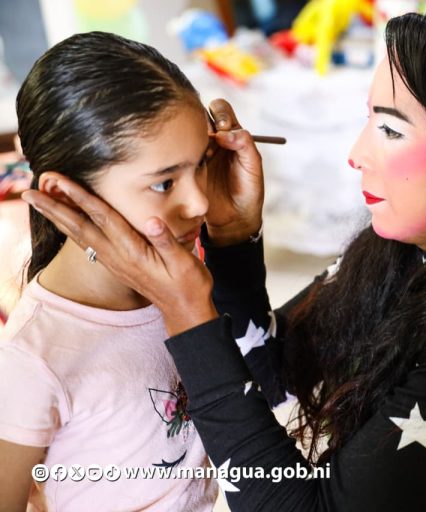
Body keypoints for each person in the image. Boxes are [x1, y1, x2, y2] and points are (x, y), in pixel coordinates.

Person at [23, 2, 426, 510]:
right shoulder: (405, 254)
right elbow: (277, 376)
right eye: (368, 120)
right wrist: (232, 245)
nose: (356, 154)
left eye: (390, 129)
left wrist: (188, 315)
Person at [0, 32, 225, 511]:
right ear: (63, 196)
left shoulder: (186, 285)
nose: (199, 202)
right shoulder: (34, 357)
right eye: (164, 182)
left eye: (202, 165)